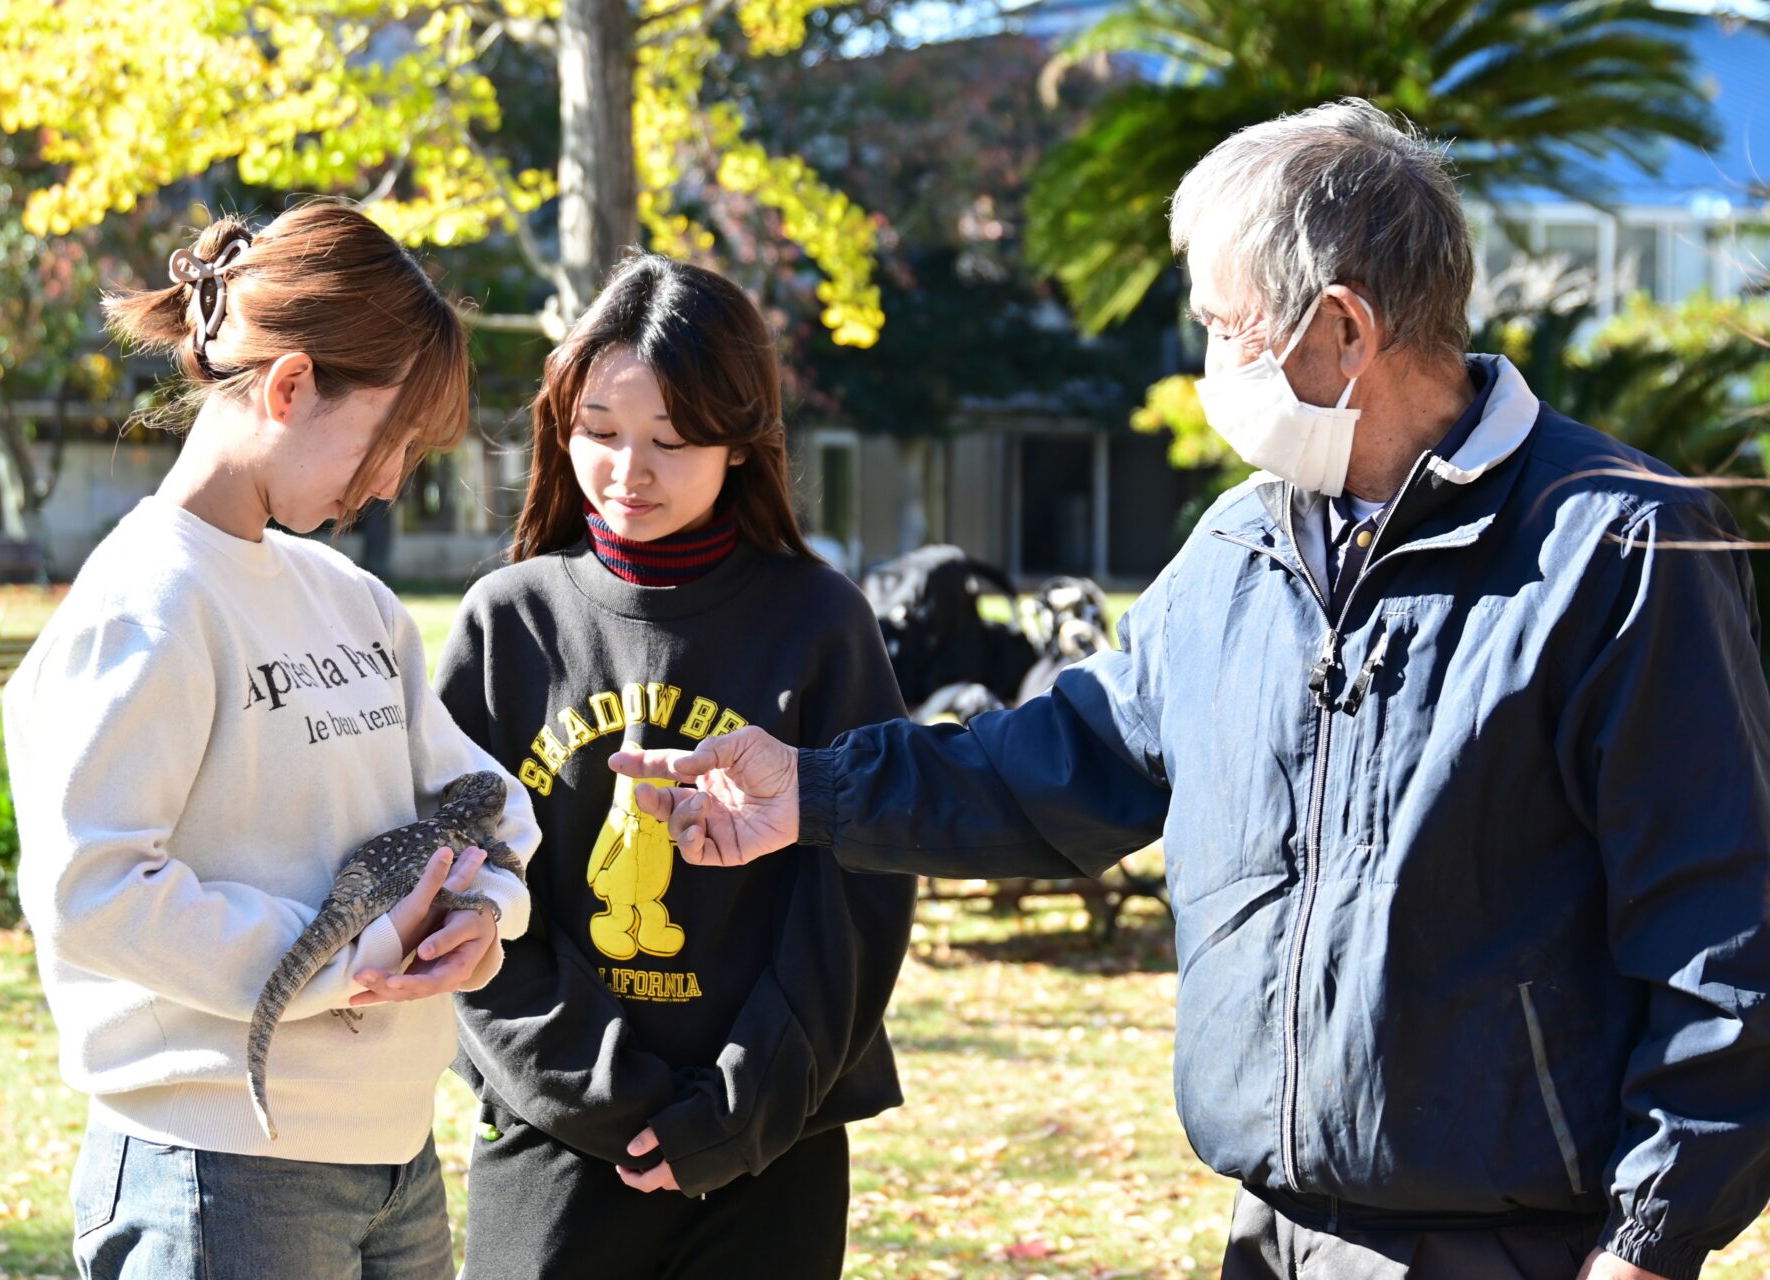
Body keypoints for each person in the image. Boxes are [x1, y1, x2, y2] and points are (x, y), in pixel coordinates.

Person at [614, 100, 1770, 1280]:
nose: (1208, 359)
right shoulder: (1239, 547)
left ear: (1344, 329)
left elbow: (1726, 940)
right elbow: (1060, 763)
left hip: (1516, 1247)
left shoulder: (1619, 549)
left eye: (1227, 325)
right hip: (1269, 1234)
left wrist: (1648, 1242)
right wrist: (810, 792)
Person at [4, 202, 541, 1279]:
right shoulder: (149, 605)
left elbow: (488, 802)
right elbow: (91, 887)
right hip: (218, 1172)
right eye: (388, 442)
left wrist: (489, 916)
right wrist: (344, 957)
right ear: (290, 386)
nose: (390, 479)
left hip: (394, 1158)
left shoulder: (353, 599)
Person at [432, 253, 915, 1279]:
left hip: (769, 1147)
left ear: (740, 442)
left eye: (673, 439)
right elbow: (462, 892)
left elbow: (856, 899)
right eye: (599, 432)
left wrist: (738, 1107)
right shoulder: (507, 623)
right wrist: (608, 1093)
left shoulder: (820, 624)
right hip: (554, 1139)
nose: (627, 471)